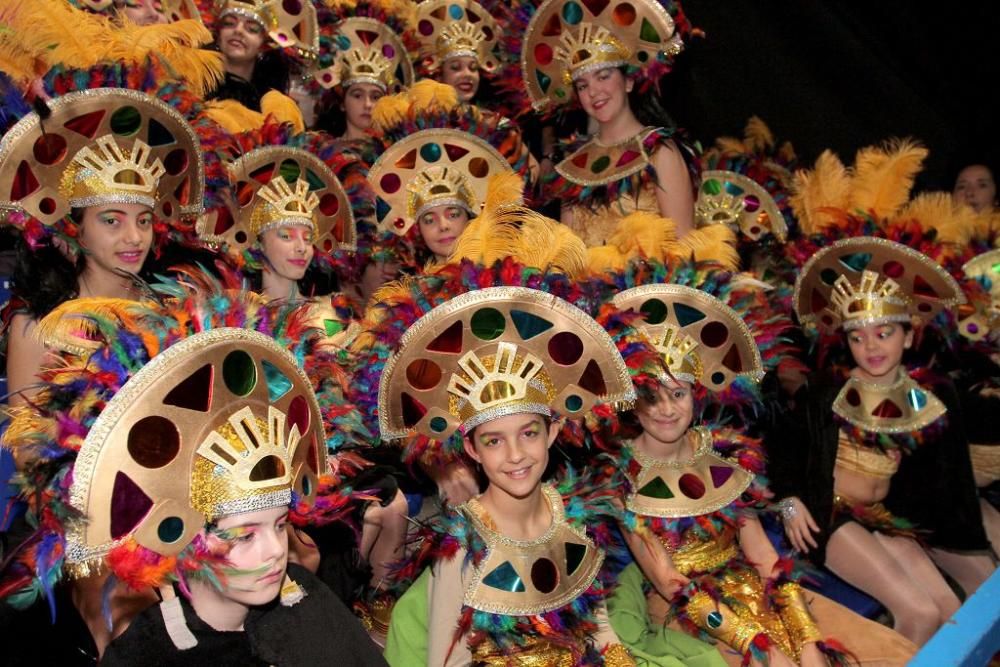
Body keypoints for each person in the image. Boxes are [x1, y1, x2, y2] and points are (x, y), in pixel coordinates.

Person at [0, 285, 387, 666]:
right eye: (245, 534)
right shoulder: (149, 650)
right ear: (183, 536)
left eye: (280, 524)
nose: (275, 550)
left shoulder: (306, 602)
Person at [362, 263, 724, 665]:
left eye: (529, 433)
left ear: (553, 432)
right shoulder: (463, 549)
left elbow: (599, 631)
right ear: (471, 449)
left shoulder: (575, 516)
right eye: (494, 440)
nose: (516, 455)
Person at [772, 234, 995, 646]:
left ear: (909, 336)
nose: (871, 346)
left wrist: (965, 545)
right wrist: (789, 502)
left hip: (883, 519)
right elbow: (780, 448)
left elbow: (950, 483)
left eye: (884, 332)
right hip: (831, 515)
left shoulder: (928, 396)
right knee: (920, 612)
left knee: (953, 614)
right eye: (858, 336)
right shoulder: (828, 390)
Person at [0, 88, 204, 411]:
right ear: (76, 231)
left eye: (144, 221)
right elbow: (29, 453)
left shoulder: (174, 314)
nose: (134, 237)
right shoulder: (36, 327)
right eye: (112, 221)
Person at [514, 0, 698, 245]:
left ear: (629, 82)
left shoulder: (659, 152)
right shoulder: (572, 169)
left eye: (603, 75)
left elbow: (686, 251)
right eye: (583, 85)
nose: (594, 91)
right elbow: (572, 263)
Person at [204, 0, 318, 131]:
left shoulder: (277, 107)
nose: (238, 30)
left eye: (251, 29)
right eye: (229, 23)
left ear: (264, 46)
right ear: (218, 35)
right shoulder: (190, 86)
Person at [313, 1, 416, 143]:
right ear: (342, 103)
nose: (367, 104)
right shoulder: (324, 152)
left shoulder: (395, 156)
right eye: (357, 95)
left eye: (375, 97)